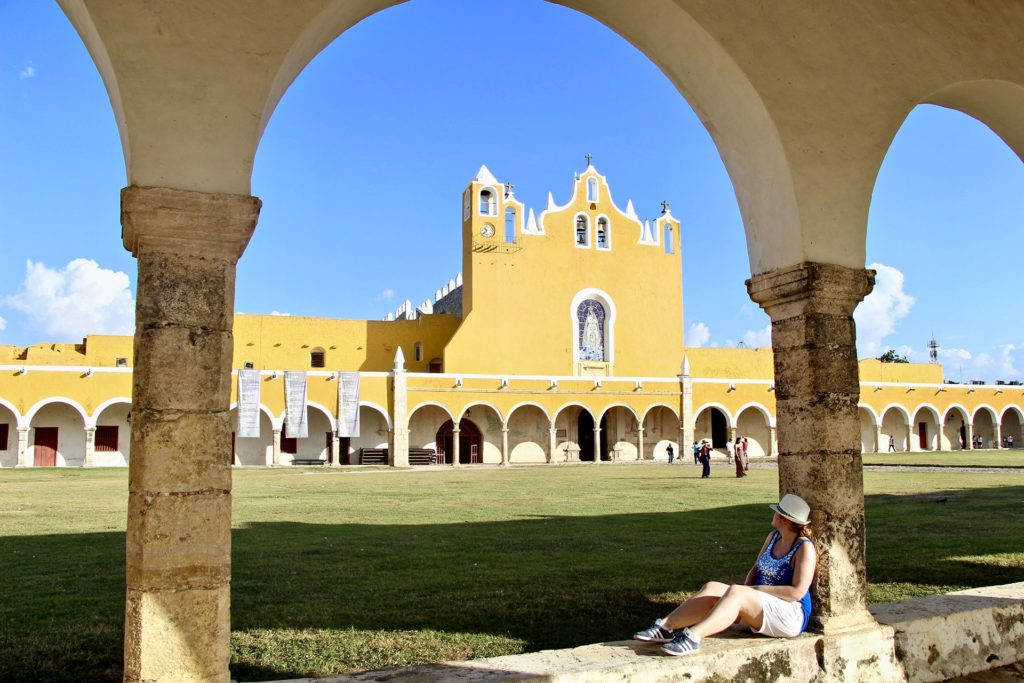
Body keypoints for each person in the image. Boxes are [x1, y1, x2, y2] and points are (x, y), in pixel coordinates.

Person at [633, 493, 816, 656]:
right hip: (760, 602)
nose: (773, 514)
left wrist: (752, 590)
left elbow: (797, 592)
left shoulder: (804, 547)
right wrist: (747, 589)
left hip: (790, 614)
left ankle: (693, 636)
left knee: (737, 592)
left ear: (784, 520)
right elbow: (756, 568)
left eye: (777, 512)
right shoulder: (773, 537)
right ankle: (666, 627)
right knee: (712, 587)